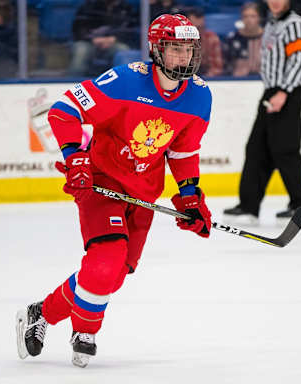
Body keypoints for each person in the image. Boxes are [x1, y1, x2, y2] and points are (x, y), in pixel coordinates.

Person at [16, 14, 212, 368]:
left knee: (114, 274)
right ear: (156, 49)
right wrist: (76, 158)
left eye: (188, 49)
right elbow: (64, 110)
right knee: (105, 267)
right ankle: (85, 331)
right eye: (175, 49)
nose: (183, 57)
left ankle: (40, 313)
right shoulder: (125, 80)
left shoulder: (199, 96)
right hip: (102, 182)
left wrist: (191, 196)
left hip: (143, 194)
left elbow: (183, 151)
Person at [223, 0, 301, 225]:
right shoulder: (271, 24)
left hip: (286, 92)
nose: (275, 2)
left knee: (286, 150)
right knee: (256, 148)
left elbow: (299, 61)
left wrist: (284, 92)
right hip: (270, 92)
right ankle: (249, 206)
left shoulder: (295, 25)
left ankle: (300, 206)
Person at [69, 0, 135, 77]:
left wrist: (115, 38)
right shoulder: (88, 6)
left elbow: (129, 28)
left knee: (123, 50)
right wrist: (93, 39)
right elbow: (78, 28)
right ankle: (74, 83)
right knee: (81, 50)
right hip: (89, 42)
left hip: (114, 42)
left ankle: (124, 83)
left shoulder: (126, 8)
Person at [224, 2, 264, 77]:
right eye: (245, 16)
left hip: (265, 80)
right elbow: (226, 65)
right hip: (238, 81)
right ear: (241, 18)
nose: (249, 20)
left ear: (259, 18)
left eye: (253, 16)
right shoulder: (232, 39)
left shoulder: (269, 38)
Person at [186, 7, 224, 77]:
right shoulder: (181, 41)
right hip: (185, 76)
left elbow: (216, 67)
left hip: (208, 77)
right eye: (193, 26)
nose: (197, 24)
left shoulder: (212, 38)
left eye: (199, 27)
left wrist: (204, 79)